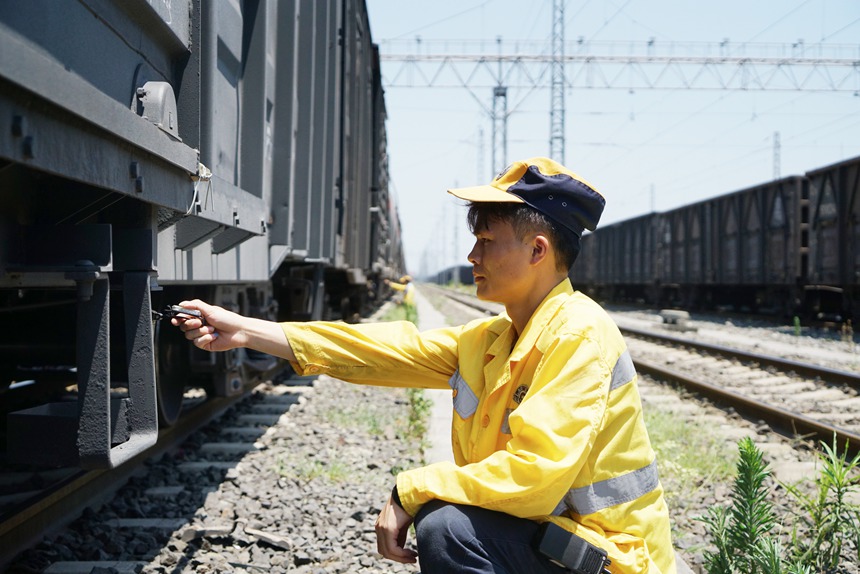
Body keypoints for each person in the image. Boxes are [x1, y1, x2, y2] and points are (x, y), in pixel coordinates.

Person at [173, 157, 676, 573]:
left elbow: (533, 478)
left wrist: (409, 490)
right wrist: (247, 330)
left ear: (537, 250)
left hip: (612, 558)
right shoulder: (496, 339)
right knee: (446, 516)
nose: (472, 255)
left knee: (447, 527)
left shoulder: (579, 333)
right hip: (559, 541)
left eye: (487, 241)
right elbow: (380, 350)